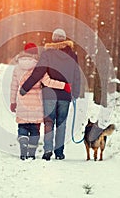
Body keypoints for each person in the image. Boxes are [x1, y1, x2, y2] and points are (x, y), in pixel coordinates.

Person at [20, 29, 80, 161]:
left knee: (49, 122)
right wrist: (75, 92)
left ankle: (48, 150)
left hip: (49, 94)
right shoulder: (73, 55)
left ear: (53, 39)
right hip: (65, 94)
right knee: (61, 124)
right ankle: (59, 152)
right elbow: (76, 75)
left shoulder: (47, 54)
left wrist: (25, 87)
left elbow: (38, 72)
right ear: (64, 39)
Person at [10, 42, 71, 160]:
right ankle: (31, 153)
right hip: (36, 103)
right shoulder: (39, 67)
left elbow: (13, 86)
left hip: (22, 102)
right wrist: (64, 86)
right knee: (34, 129)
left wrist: (13, 102)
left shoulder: (17, 68)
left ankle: (23, 140)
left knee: (22, 125)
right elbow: (48, 82)